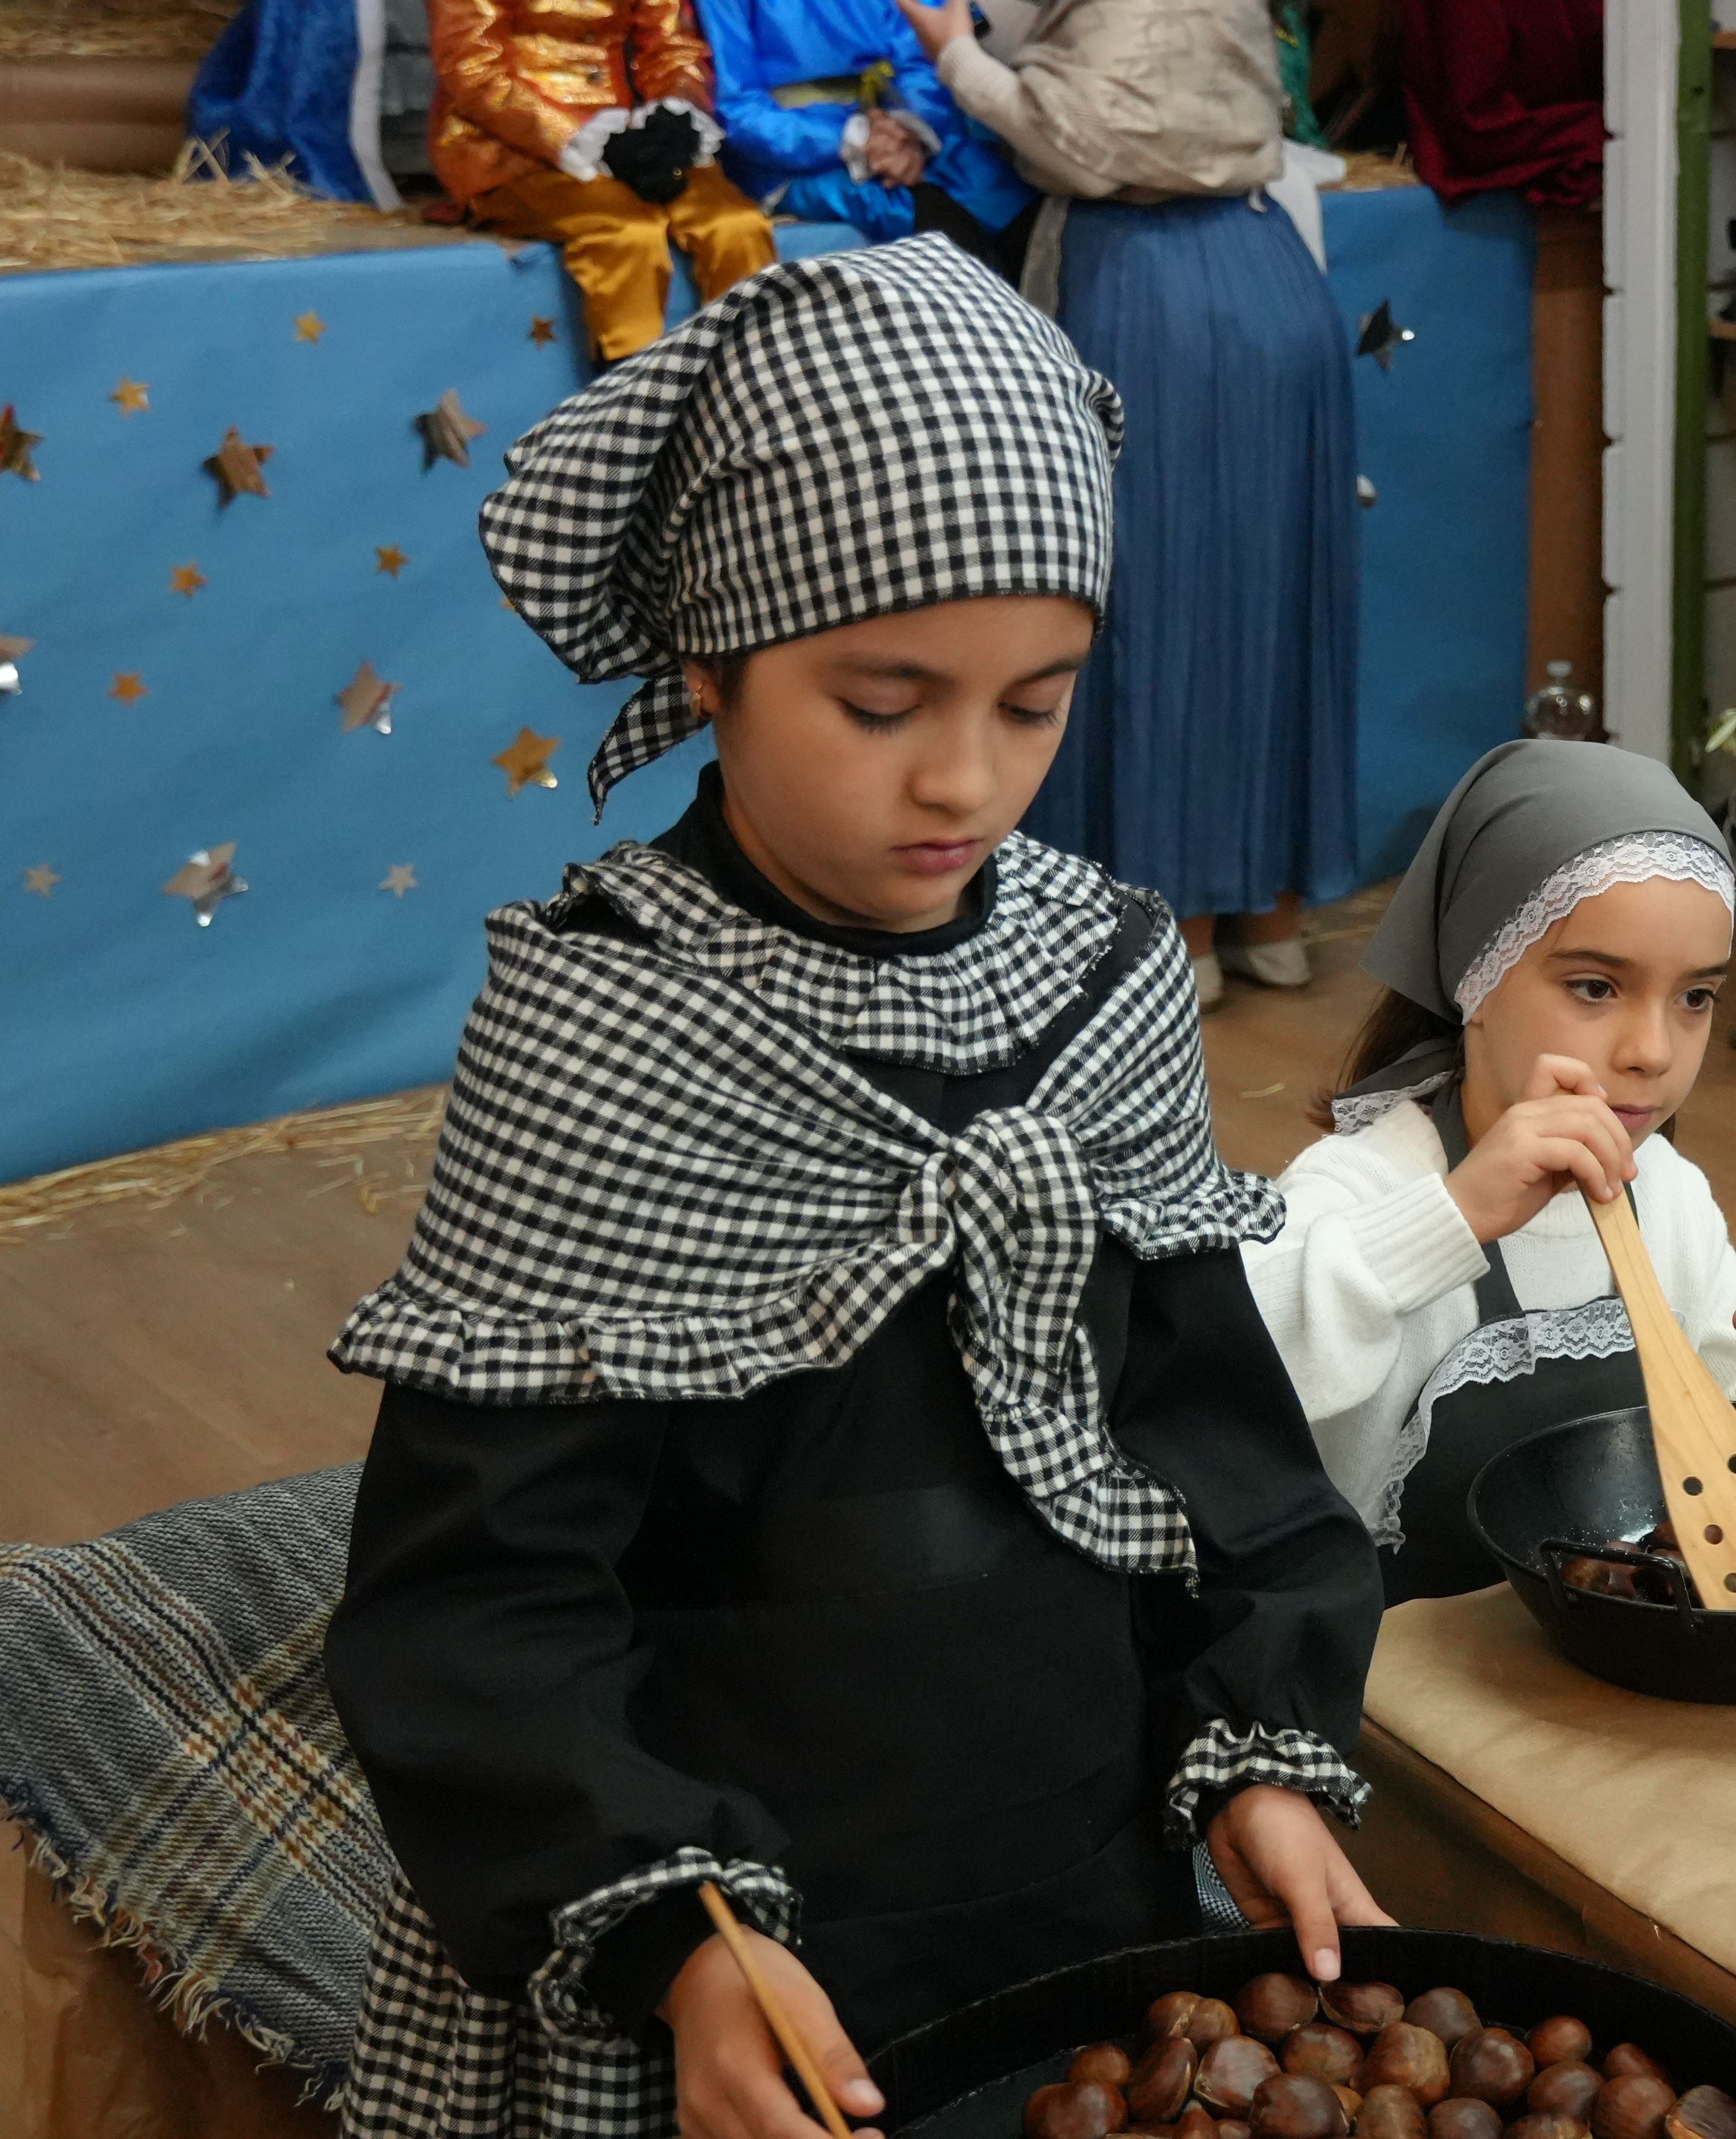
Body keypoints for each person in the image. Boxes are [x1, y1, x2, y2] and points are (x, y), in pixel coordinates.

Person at [323, 240, 1386, 2139]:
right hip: (738, 1929)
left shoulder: (1100, 968)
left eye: (1037, 703)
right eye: (881, 703)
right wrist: (677, 1928)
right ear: (712, 657)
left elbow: (1204, 1439)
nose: (966, 783)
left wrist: (1260, 1745)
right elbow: (478, 1599)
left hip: (1071, 1869)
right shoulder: (604, 1028)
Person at [1244, 741, 1736, 1601]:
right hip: (1391, 1685)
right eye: (1596, 987)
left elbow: (1719, 1472)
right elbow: (1224, 1371)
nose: (1652, 1053)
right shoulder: (1362, 1181)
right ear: (1474, 978)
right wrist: (1453, 1214)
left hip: (1600, 1670)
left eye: (1695, 997)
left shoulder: (1666, 1191)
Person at [898, 0, 1358, 1010]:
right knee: (1266, 599)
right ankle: (1271, 919)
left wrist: (956, 55)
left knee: (1159, 602)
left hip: (1156, 290)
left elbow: (1079, 141)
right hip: (1268, 268)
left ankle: (1172, 926)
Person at [428, 0, 779, 361]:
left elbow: (672, 44)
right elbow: (472, 67)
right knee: (626, 234)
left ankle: (750, 384)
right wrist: (568, 134)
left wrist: (676, 108)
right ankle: (634, 400)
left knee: (736, 225)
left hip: (634, 133)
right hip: (511, 147)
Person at [695, 0, 1038, 260]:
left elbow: (923, 57)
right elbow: (736, 109)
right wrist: (854, 139)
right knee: (925, 215)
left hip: (905, 130)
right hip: (794, 159)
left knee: (1000, 193)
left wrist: (910, 129)